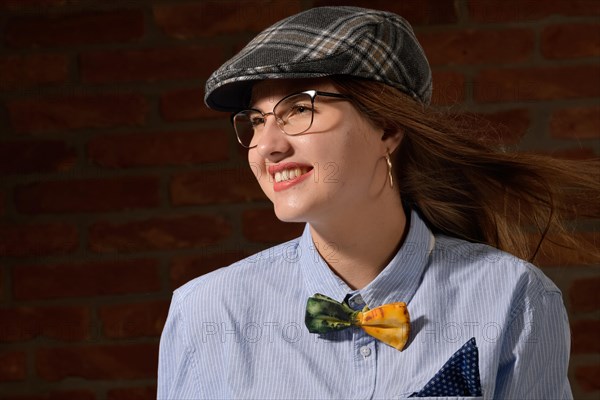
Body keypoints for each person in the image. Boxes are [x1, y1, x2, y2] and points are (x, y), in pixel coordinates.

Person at [158, 6, 599, 399]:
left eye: (298, 109)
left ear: (387, 129)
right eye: (255, 121)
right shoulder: (207, 313)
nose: (267, 145)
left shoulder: (513, 298)